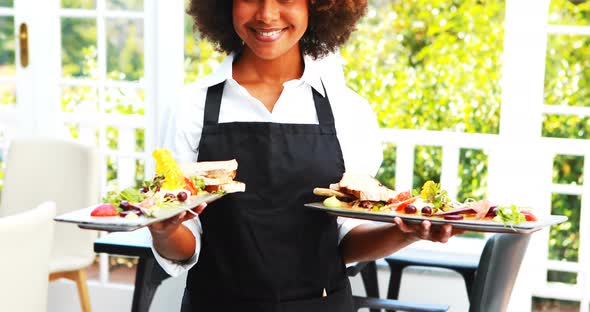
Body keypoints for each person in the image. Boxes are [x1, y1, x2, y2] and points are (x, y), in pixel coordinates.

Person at [149, 1, 459, 311]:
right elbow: (183, 242)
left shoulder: (348, 111)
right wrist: (166, 229)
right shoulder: (189, 109)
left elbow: (347, 241)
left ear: (318, 6)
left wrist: (407, 231)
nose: (267, 14)